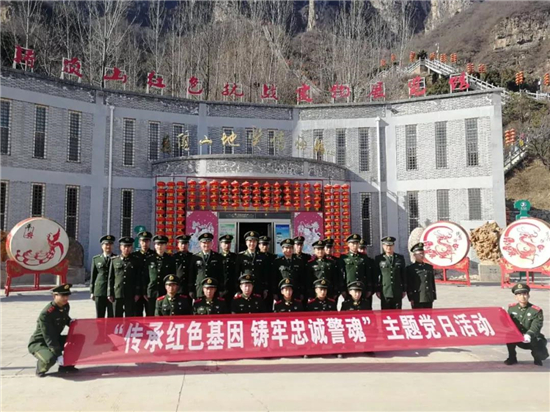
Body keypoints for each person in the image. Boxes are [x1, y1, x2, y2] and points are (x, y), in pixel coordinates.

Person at [28, 284, 77, 377]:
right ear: (54, 296)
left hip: (55, 338)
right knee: (50, 359)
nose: (66, 298)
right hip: (40, 342)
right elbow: (49, 337)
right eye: (62, 296)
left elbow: (64, 317)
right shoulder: (46, 313)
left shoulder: (65, 306)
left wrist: (71, 322)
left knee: (78, 339)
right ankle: (40, 368)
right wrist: (59, 355)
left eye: (67, 295)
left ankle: (66, 366)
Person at [505, 283, 548, 366]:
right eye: (519, 295)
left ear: (528, 295)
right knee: (508, 335)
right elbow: (509, 324)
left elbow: (536, 326)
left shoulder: (536, 310)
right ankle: (512, 357)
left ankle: (537, 358)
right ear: (516, 297)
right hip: (518, 337)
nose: (522, 297)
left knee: (541, 353)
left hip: (532, 338)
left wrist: (529, 334)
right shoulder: (512, 309)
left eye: (524, 294)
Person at [109, 237, 142, 317]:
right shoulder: (114, 260)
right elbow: (111, 278)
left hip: (130, 293)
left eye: (129, 246)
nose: (126, 249)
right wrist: (110, 293)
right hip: (117, 292)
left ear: (131, 247)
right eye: (124, 246)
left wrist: (137, 293)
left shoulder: (135, 261)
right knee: (117, 315)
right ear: (120, 247)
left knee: (130, 316)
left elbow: (138, 278)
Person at [339, 234, 373, 308]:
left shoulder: (364, 257)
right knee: (349, 307)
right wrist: (342, 289)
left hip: (362, 287)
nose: (355, 245)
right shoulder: (344, 258)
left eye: (357, 243)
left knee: (364, 307)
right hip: (349, 288)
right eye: (353, 243)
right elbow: (340, 275)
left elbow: (368, 274)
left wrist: (369, 288)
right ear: (348, 244)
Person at [145, 235, 176, 316]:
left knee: (164, 314)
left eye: (162, 244)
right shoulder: (149, 259)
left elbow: (173, 276)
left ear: (166, 246)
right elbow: (144, 277)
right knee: (150, 314)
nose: (160, 247)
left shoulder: (170, 259)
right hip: (151, 292)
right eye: (158, 244)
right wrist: (144, 291)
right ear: (155, 246)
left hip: (165, 291)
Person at [235, 231, 270, 299]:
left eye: (254, 241)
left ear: (257, 243)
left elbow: (265, 273)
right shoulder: (240, 256)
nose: (252, 243)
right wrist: (237, 289)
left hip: (258, 287)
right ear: (246, 242)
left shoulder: (262, 256)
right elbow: (236, 273)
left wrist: (265, 288)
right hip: (245, 288)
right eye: (250, 241)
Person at [375, 236, 407, 309]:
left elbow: (403, 274)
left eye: (390, 245)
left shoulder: (400, 258)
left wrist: (404, 289)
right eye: (386, 245)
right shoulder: (379, 258)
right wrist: (377, 290)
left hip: (397, 290)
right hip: (385, 291)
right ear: (383, 246)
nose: (389, 247)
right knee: (385, 312)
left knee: (397, 312)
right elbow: (376, 275)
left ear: (393, 246)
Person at [190, 232, 224, 299]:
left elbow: (221, 274)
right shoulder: (195, 257)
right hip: (199, 289)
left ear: (211, 243)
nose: (206, 245)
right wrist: (191, 289)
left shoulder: (218, 257)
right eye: (204, 243)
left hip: (213, 288)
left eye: (208, 242)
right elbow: (192, 274)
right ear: (200, 244)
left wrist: (221, 289)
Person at [90, 235, 116, 318]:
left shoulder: (116, 258)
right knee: (100, 315)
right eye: (106, 244)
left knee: (112, 315)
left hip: (112, 291)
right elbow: (93, 276)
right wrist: (92, 291)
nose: (108, 246)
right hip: (99, 291)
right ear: (102, 246)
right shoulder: (96, 259)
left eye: (110, 244)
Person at [406, 242, 436, 309]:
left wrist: (433, 295)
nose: (422, 255)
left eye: (423, 253)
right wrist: (411, 297)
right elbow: (409, 284)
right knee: (418, 314)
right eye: (419, 254)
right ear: (414, 255)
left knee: (428, 314)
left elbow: (432, 282)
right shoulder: (411, 268)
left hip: (428, 296)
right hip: (417, 297)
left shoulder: (429, 267)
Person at [132, 231, 154, 316]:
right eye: (143, 241)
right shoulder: (134, 256)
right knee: (137, 315)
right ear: (139, 242)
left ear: (150, 242)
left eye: (147, 241)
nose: (145, 243)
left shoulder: (154, 255)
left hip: (150, 290)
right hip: (137, 290)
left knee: (151, 314)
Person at [219, 234, 238, 305]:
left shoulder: (235, 257)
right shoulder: (217, 257)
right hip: (221, 289)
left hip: (232, 288)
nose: (227, 245)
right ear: (221, 244)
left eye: (229, 243)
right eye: (225, 243)